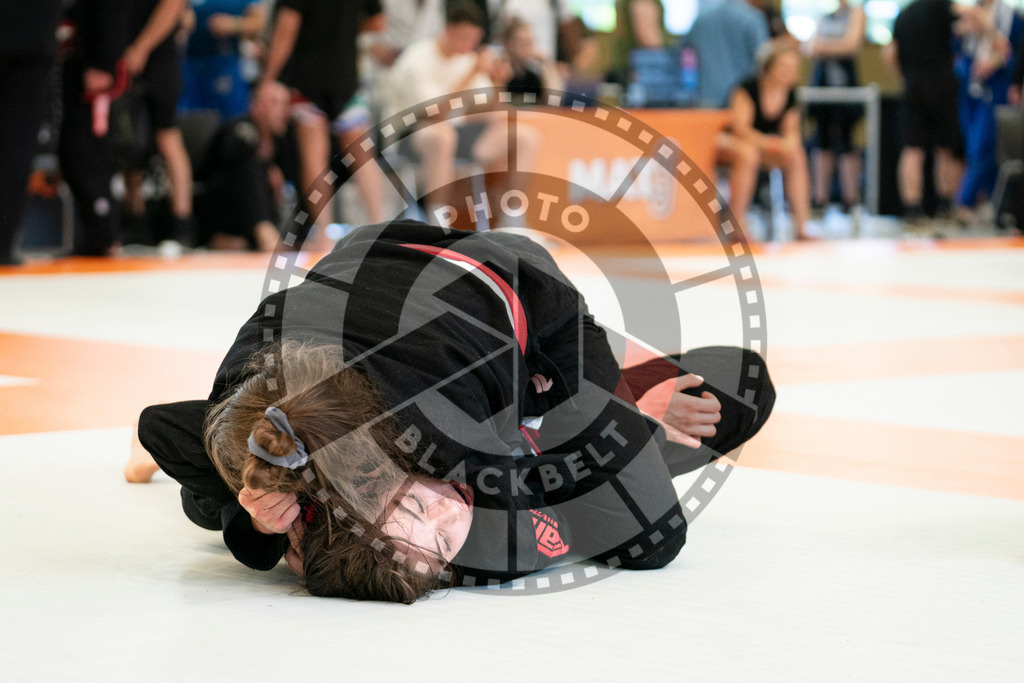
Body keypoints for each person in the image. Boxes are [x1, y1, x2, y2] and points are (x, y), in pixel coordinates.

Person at [127, 220, 776, 602]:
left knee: (649, 529)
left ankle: (606, 396)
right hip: (354, 280)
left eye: (416, 507)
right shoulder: (306, 446)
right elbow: (159, 424)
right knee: (216, 495)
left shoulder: (446, 429)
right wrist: (266, 516)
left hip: (512, 277)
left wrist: (616, 399)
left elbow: (657, 538)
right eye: (440, 542)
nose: (450, 515)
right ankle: (582, 415)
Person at [381, 0, 537, 226]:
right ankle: (437, 220)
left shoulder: (468, 58)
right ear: (448, 31)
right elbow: (435, 113)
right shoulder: (418, 59)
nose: (470, 44)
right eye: (465, 38)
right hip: (409, 135)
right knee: (442, 135)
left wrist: (497, 82)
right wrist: (473, 71)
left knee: (524, 136)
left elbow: (486, 108)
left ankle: (513, 221)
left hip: (458, 132)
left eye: (474, 39)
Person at [259, 0, 389, 248]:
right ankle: (379, 226)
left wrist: (269, 77)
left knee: (314, 158)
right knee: (362, 156)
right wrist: (345, 31)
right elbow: (378, 21)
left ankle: (323, 235)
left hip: (308, 77)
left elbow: (287, 27)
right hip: (346, 75)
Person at [122, 0, 197, 255]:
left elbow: (174, 7)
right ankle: (136, 221)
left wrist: (141, 48)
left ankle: (182, 225)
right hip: (128, 53)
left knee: (167, 136)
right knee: (127, 139)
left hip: (157, 55)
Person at [716, 42, 811, 240]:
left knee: (796, 155)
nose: (790, 73)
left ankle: (802, 226)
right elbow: (740, 130)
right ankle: (737, 223)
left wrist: (789, 143)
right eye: (785, 67)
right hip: (728, 142)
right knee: (748, 154)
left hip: (762, 147)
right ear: (770, 68)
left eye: (794, 68)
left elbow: (791, 130)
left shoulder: (791, 94)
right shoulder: (747, 89)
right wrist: (772, 143)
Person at [887, 0, 965, 222]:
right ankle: (945, 204)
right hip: (942, 83)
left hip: (913, 84)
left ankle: (912, 207)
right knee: (945, 148)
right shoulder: (943, 7)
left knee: (912, 148)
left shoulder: (904, 14)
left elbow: (890, 53)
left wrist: (904, 77)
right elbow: (963, 24)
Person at [192, 81, 291, 251]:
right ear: (256, 106)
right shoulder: (238, 128)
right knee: (249, 167)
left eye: (286, 104)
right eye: (275, 103)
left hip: (252, 219)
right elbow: (232, 158)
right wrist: (266, 167)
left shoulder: (281, 142)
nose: (284, 112)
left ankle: (259, 237)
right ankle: (262, 233)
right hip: (216, 209)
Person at [0, 0, 62, 265]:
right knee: (17, 145)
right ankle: (3, 243)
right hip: (33, 36)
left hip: (31, 41)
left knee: (18, 146)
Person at [953, 0, 1023, 225]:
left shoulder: (1009, 16)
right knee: (974, 147)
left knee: (987, 147)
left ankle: (967, 202)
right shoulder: (970, 12)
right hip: (971, 91)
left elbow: (1009, 51)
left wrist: (987, 29)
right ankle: (984, 202)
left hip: (997, 89)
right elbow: (959, 47)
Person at [804, 0, 866, 212]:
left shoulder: (856, 13)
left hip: (846, 88)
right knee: (821, 142)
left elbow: (850, 45)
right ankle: (819, 199)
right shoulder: (825, 16)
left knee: (847, 141)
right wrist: (829, 47)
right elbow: (809, 47)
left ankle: (850, 200)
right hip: (822, 87)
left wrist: (822, 47)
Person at [179, 0, 267, 120]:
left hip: (225, 64)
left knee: (231, 120)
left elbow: (258, 23)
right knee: (188, 118)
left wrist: (233, 24)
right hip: (190, 63)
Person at [686, 0, 770, 109]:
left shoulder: (701, 18)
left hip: (704, 100)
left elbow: (685, 56)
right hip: (740, 101)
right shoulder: (753, 18)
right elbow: (763, 60)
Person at [498, 17, 564, 102]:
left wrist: (547, 63)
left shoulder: (532, 78)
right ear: (507, 43)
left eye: (530, 41)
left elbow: (554, 101)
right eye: (521, 41)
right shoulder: (498, 73)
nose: (526, 46)